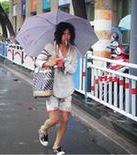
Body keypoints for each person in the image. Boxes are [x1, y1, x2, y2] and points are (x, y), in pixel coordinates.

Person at [35, 22, 78, 155]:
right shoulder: (50, 47)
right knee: (55, 119)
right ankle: (43, 129)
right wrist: (50, 62)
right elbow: (38, 61)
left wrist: (63, 65)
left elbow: (74, 69)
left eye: (69, 33)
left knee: (65, 118)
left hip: (67, 88)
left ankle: (57, 146)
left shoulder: (73, 50)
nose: (67, 36)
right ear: (59, 34)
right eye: (64, 33)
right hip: (52, 87)